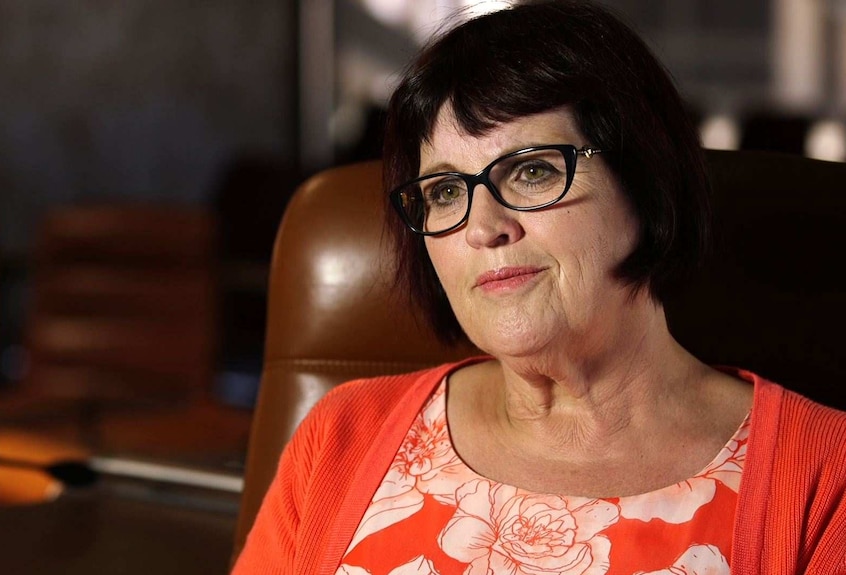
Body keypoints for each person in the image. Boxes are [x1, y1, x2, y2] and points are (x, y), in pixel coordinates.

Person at [232, 1, 846, 573]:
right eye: (446, 190)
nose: (484, 228)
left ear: (647, 183)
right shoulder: (340, 435)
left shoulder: (825, 478)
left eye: (531, 171)